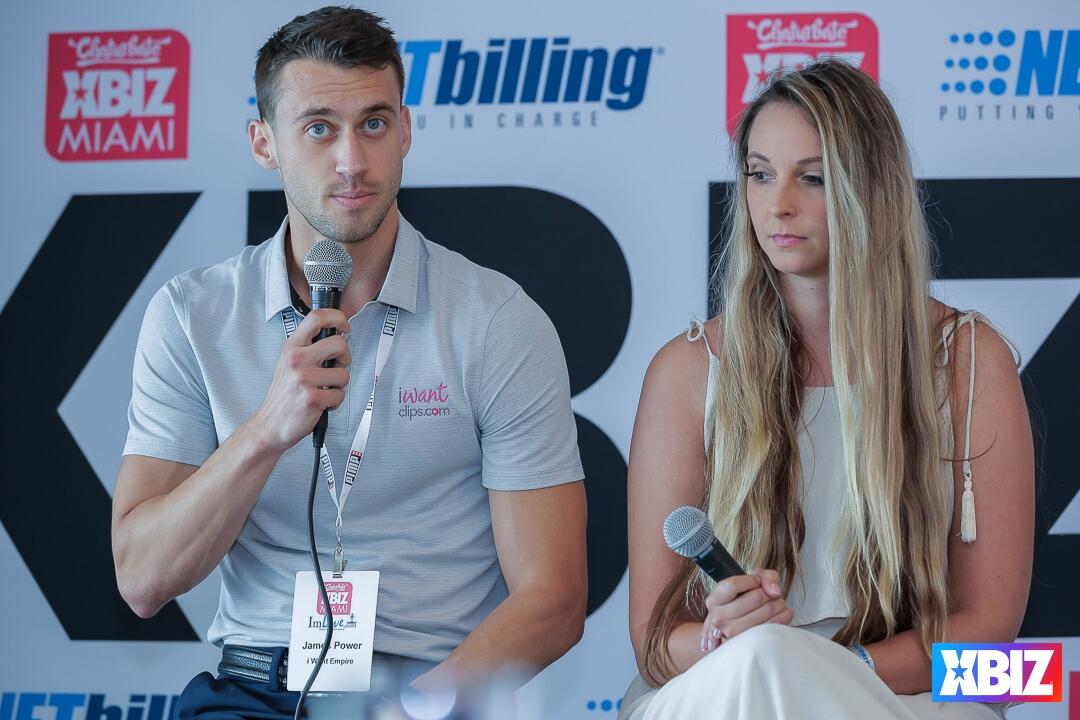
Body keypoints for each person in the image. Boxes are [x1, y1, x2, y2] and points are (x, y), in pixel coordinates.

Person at [111, 7, 587, 718]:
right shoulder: (191, 314)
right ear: (264, 143)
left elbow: (554, 599)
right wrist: (266, 431)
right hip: (255, 688)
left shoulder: (496, 320)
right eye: (318, 128)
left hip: (427, 689)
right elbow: (144, 581)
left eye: (374, 123)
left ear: (406, 130)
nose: (352, 161)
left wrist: (414, 707)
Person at [622, 59, 1034, 719]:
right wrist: (722, 641)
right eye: (760, 174)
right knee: (760, 663)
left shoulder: (969, 360)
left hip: (904, 693)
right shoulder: (687, 369)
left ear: (870, 187)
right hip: (729, 686)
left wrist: (829, 672)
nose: (776, 204)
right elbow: (652, 648)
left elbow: (994, 647)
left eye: (811, 178)